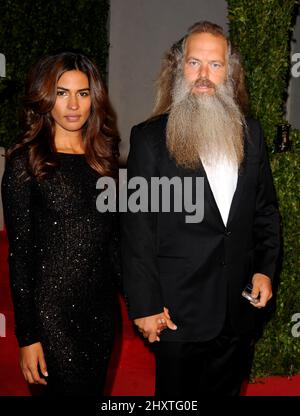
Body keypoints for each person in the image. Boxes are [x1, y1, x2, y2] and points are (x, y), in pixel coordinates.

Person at [121, 21, 280, 396]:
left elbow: (265, 212)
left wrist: (264, 270)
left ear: (229, 73)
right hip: (176, 315)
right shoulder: (149, 140)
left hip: (237, 311)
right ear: (180, 69)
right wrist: (145, 305)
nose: (204, 76)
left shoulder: (251, 134)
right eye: (194, 63)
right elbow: (137, 230)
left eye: (215, 65)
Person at [1, 51, 121, 396]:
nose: (73, 104)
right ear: (46, 98)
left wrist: (144, 304)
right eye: (62, 93)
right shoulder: (26, 163)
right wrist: (28, 337)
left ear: (93, 99)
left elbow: (113, 245)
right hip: (51, 318)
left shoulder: (107, 162)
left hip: (101, 316)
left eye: (82, 93)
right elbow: (20, 257)